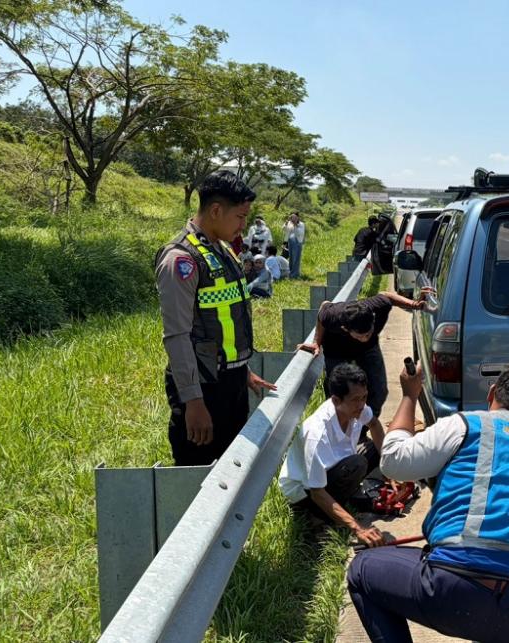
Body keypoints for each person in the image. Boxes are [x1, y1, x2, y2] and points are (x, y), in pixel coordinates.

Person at [347, 360, 509, 643]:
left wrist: (410, 394)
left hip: (458, 589)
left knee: (361, 569)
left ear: (492, 392)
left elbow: (393, 461)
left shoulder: (466, 426)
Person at [154, 170, 276, 466]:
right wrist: (193, 402)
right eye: (240, 217)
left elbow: (222, 321)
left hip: (231, 383)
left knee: (231, 469)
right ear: (216, 210)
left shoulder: (222, 250)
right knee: (198, 474)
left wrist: (243, 372)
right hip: (203, 389)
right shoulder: (181, 260)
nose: (244, 225)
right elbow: (178, 335)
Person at [278, 363, 386, 547]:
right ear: (336, 400)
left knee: (379, 450)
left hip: (335, 468)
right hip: (306, 494)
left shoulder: (357, 409)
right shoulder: (317, 434)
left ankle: (345, 497)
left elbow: (374, 425)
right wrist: (358, 529)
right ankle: (317, 518)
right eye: (355, 400)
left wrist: (390, 470)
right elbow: (317, 492)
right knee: (357, 463)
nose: (361, 405)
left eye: (364, 397)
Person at [297, 292, 424, 419]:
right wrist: (316, 342)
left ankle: (363, 428)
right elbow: (323, 307)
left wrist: (413, 304)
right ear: (345, 329)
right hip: (336, 349)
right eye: (360, 336)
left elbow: (388, 296)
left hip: (368, 350)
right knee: (340, 392)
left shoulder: (376, 306)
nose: (364, 338)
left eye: (368, 333)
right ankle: (338, 425)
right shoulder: (333, 316)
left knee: (379, 391)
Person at [283, 212, 306, 278]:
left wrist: (295, 225)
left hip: (297, 243)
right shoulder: (289, 223)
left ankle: (295, 274)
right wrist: (286, 223)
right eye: (292, 217)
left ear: (298, 217)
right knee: (291, 258)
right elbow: (284, 230)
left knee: (296, 259)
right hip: (290, 242)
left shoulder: (301, 224)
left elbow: (300, 233)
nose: (293, 219)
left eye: (295, 217)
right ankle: (291, 273)